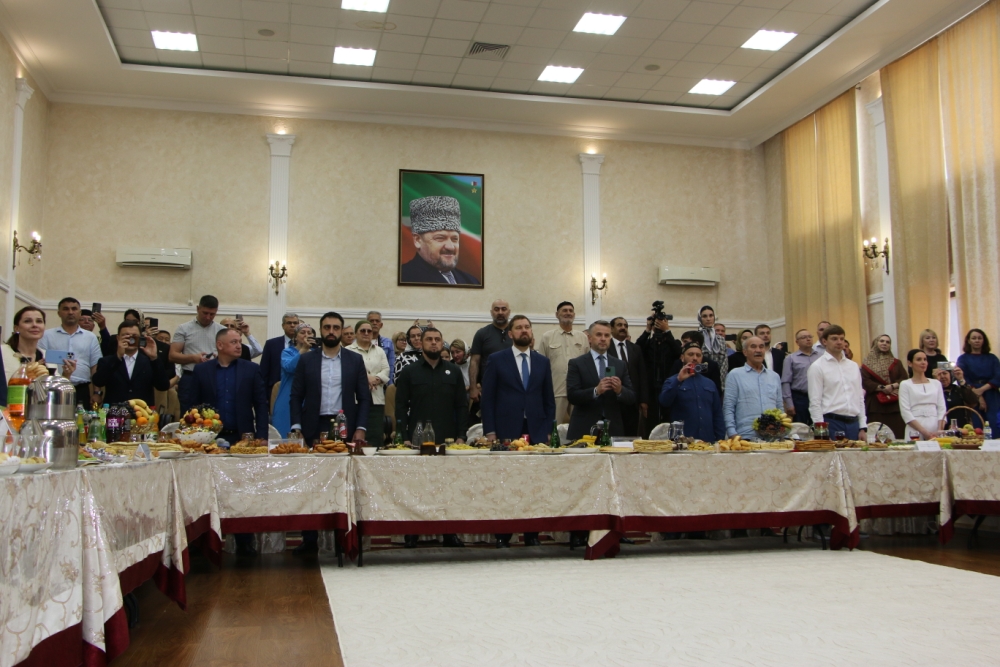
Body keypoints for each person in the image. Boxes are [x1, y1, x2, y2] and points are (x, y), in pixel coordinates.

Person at [189, 328, 269, 557]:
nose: (238, 345)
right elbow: (192, 406)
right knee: (207, 490)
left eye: (239, 341)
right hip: (209, 440)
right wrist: (194, 437)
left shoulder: (250, 369)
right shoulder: (202, 370)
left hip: (242, 439)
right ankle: (203, 541)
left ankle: (245, 541)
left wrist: (262, 435)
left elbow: (261, 404)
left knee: (242, 490)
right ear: (220, 345)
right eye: (233, 342)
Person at [480, 315, 555, 549]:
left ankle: (532, 533)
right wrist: (490, 431)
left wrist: (548, 430)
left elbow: (548, 399)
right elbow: (487, 399)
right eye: (519, 327)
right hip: (506, 430)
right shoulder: (497, 359)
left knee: (535, 483)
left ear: (531, 332)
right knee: (506, 482)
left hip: (536, 431)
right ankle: (504, 534)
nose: (524, 331)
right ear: (510, 334)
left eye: (527, 327)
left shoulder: (542, 362)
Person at [395, 327, 469, 548]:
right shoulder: (410, 372)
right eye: (429, 339)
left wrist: (462, 435)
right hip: (417, 440)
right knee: (417, 486)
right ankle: (412, 532)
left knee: (448, 486)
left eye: (437, 339)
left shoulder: (453, 371)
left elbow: (461, 406)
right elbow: (401, 406)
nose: (434, 343)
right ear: (421, 343)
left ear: (442, 342)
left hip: (448, 438)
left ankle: (449, 533)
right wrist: (403, 436)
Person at [289, 311, 372, 446]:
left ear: (341, 331)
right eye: (327, 327)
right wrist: (296, 428)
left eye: (336, 328)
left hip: (345, 427)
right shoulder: (306, 360)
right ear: (320, 330)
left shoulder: (355, 360)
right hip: (312, 427)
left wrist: (361, 428)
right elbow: (296, 396)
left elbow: (364, 398)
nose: (331, 331)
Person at [566, 320, 636, 440]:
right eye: (599, 335)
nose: (603, 339)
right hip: (584, 429)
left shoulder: (620, 364)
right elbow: (572, 396)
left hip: (613, 429)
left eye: (607, 335)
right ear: (589, 338)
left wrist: (620, 390)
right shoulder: (577, 363)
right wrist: (595, 391)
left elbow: (632, 397)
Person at [399, 196, 479, 285]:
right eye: (440, 238)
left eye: (454, 239)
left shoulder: (471, 281)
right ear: (418, 240)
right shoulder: (403, 277)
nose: (450, 247)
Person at [807, 325, 867, 440]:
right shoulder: (817, 367)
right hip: (832, 422)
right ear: (824, 341)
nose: (839, 342)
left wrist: (862, 427)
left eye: (842, 339)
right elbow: (815, 402)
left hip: (854, 423)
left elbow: (859, 397)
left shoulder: (853, 366)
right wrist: (822, 432)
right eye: (834, 339)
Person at [92, 320, 171, 406]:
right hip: (114, 410)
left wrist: (154, 358)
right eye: (125, 336)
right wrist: (118, 357)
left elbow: (163, 386)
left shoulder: (149, 361)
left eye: (135, 336)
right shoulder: (107, 361)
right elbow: (98, 381)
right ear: (118, 338)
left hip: (142, 411)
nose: (130, 339)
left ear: (140, 338)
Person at [39, 297, 102, 406]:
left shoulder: (90, 337)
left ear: (80, 313)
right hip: (52, 388)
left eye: (74, 309)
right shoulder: (46, 335)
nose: (70, 312)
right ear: (59, 313)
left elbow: (95, 366)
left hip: (81, 390)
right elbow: (40, 363)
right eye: (66, 309)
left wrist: (97, 392)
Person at [658, 343, 725, 443]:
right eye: (690, 354)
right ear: (682, 358)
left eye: (698, 355)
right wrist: (678, 380)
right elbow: (664, 401)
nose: (695, 358)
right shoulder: (672, 381)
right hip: (682, 441)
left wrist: (720, 439)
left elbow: (717, 413)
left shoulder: (710, 383)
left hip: (706, 441)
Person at [170, 295, 226, 413]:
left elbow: (229, 355)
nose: (208, 317)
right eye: (205, 313)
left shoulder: (222, 331)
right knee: (189, 414)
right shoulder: (184, 328)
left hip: (215, 377)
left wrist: (219, 358)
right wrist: (193, 358)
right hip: (190, 377)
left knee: (216, 413)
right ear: (197, 308)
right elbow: (172, 355)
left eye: (212, 314)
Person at [538, 301, 589, 425]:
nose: (568, 313)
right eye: (564, 310)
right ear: (557, 314)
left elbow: (588, 364)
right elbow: (540, 366)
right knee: (553, 427)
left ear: (574, 315)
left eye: (571, 311)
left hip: (578, 391)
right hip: (556, 391)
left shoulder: (582, 337)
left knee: (579, 427)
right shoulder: (547, 337)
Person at [723, 336, 782, 438]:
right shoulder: (735, 375)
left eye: (761, 347)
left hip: (772, 437)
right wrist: (732, 433)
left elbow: (779, 406)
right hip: (745, 436)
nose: (758, 350)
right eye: (753, 347)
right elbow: (728, 407)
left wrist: (781, 430)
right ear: (745, 352)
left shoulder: (774, 376)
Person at [348, 320, 390, 447]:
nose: (366, 333)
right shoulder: (348, 351)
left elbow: (386, 370)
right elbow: (349, 371)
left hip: (376, 399)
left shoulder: (380, 351)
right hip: (355, 401)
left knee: (375, 436)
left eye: (369, 331)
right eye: (362, 331)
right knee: (356, 438)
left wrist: (376, 379)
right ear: (356, 333)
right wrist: (365, 378)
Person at [4, 306, 73, 384]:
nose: (34, 325)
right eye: (27, 321)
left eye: (39, 321)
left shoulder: (46, 356)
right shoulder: (3, 352)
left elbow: (53, 388)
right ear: (16, 328)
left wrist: (66, 375)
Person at [636, 313, 682, 427]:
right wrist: (648, 330)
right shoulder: (648, 343)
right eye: (656, 323)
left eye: (661, 322)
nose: (659, 325)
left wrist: (667, 331)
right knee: (650, 422)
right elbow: (637, 348)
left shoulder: (672, 343)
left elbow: (678, 352)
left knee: (668, 420)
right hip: (651, 388)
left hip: (668, 385)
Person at [860, 335, 908, 438]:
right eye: (881, 341)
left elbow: (904, 378)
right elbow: (865, 381)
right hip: (875, 405)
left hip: (894, 404)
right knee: (875, 436)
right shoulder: (866, 363)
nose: (885, 343)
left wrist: (892, 386)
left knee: (897, 434)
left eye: (888, 342)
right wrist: (883, 388)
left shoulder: (896, 363)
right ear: (875, 343)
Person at [271, 324, 314, 437]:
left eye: (309, 333)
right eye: (302, 332)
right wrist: (303, 350)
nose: (306, 335)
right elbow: (290, 368)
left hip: (309, 400)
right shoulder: (287, 352)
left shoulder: (315, 355)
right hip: (288, 399)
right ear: (295, 337)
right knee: (286, 439)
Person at [608, 316, 648, 437]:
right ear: (611, 329)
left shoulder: (635, 348)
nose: (623, 328)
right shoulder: (606, 347)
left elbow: (642, 374)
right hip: (613, 399)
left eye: (625, 326)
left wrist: (643, 400)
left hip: (632, 400)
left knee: (631, 435)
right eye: (619, 325)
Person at [468, 300, 513, 404]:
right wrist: (473, 387)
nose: (500, 312)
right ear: (491, 312)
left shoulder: (516, 332)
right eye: (496, 309)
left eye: (504, 309)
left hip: (514, 388)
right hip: (489, 388)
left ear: (509, 312)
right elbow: (474, 361)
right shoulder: (482, 333)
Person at [956, 328, 1000, 427]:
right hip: (972, 394)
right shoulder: (963, 359)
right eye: (974, 338)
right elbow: (963, 379)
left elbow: (998, 376)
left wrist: (981, 390)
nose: (977, 340)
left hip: (991, 394)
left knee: (994, 423)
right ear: (968, 341)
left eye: (979, 338)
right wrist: (978, 396)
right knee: (976, 423)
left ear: (984, 340)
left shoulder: (992, 358)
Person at [899, 350, 946, 440]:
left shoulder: (936, 383)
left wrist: (939, 430)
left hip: (935, 427)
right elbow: (905, 412)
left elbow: (942, 409)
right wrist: (924, 432)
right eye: (919, 359)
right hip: (914, 430)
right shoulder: (905, 384)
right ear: (910, 363)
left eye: (925, 359)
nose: (923, 362)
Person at [781, 329, 821, 425]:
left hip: (819, 397)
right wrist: (789, 403)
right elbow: (786, 382)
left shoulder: (820, 357)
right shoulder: (791, 358)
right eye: (804, 337)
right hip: (800, 398)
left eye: (810, 337)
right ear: (797, 342)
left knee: (818, 426)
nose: (808, 339)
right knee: (801, 427)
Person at [259, 313, 300, 398]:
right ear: (283, 326)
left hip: (299, 389)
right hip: (276, 389)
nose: (292, 325)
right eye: (289, 323)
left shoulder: (305, 345)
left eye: (295, 323)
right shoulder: (271, 344)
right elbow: (264, 370)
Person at [670, 331, 722, 395]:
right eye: (690, 354)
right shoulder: (678, 363)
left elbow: (717, 391)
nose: (682, 345)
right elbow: (669, 386)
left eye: (685, 342)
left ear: (696, 343)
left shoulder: (711, 365)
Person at [695, 306, 730, 393]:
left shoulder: (720, 339)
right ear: (700, 318)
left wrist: (719, 379)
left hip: (718, 380)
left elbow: (724, 361)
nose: (708, 319)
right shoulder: (696, 337)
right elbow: (695, 359)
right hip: (701, 379)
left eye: (711, 315)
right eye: (704, 316)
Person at [367, 311, 396, 385]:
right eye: (371, 321)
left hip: (382, 383)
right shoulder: (358, 342)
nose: (374, 323)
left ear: (381, 325)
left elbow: (391, 365)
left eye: (377, 321)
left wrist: (390, 384)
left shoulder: (388, 342)